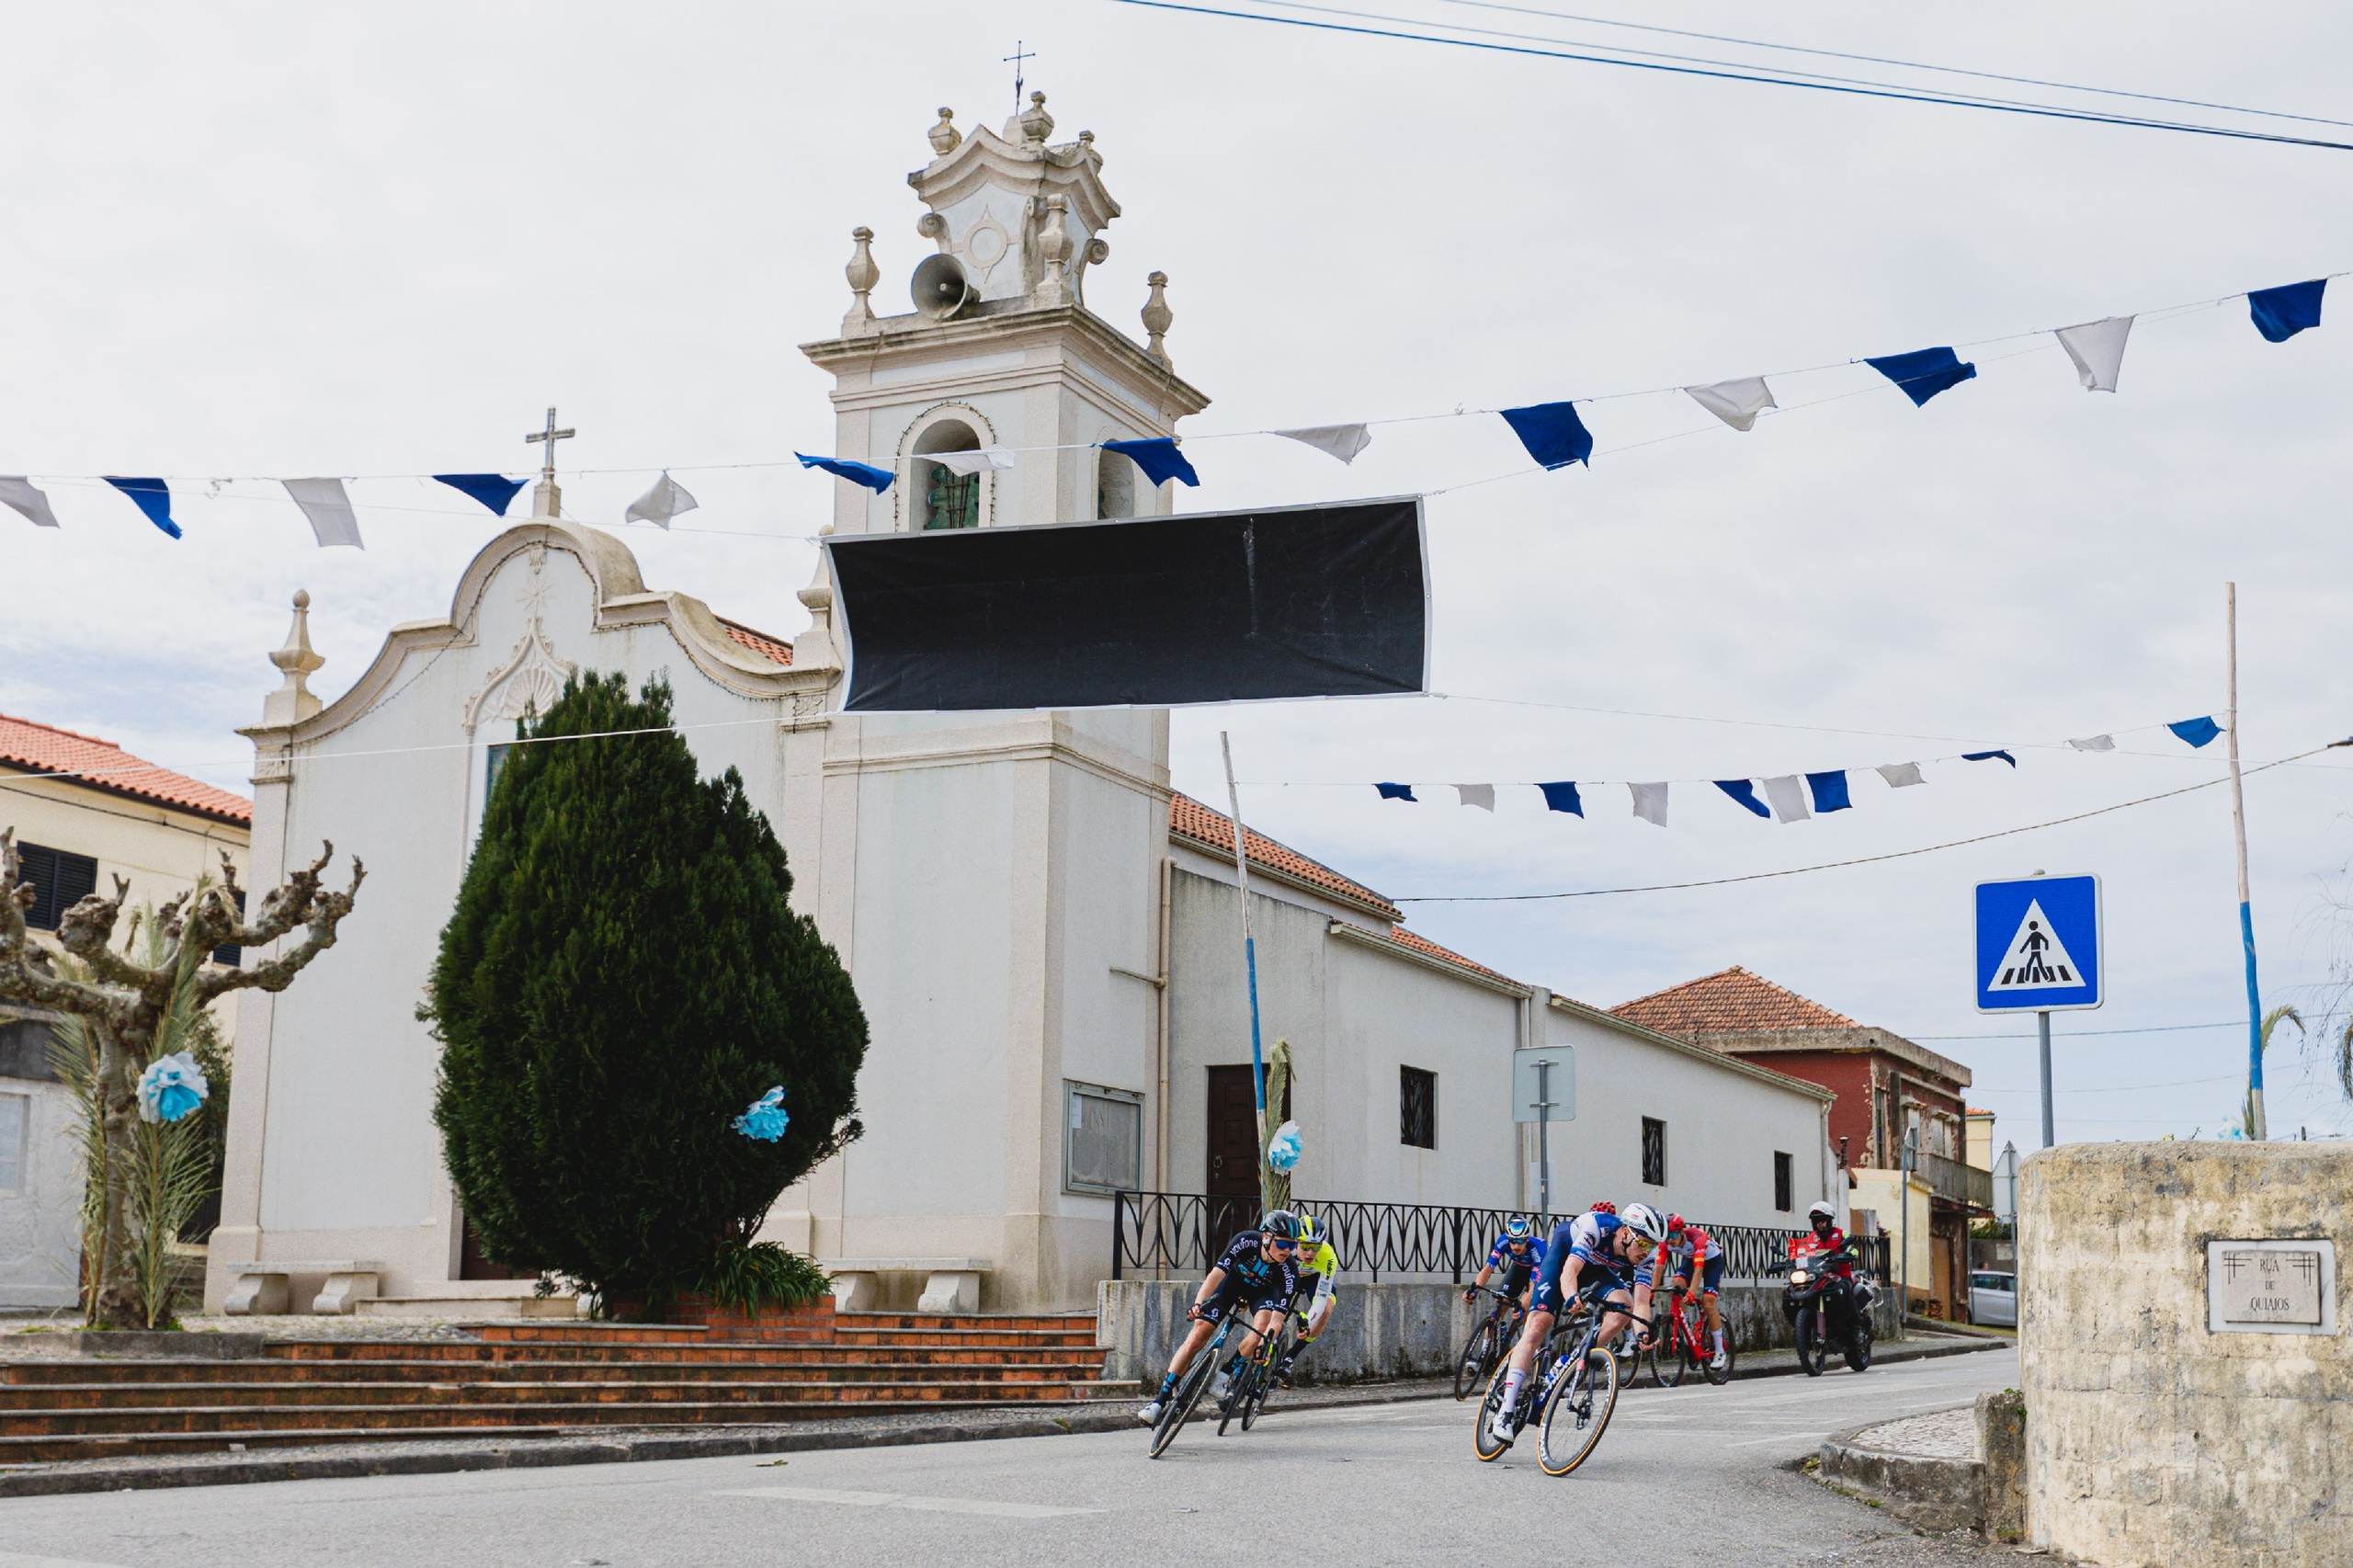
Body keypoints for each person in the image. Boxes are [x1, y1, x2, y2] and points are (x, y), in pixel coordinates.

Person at [1487, 1201, 1666, 1445]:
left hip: (1594, 1268)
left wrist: (1642, 1334)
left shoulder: (1646, 1257)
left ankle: (1571, 1360)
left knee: (1624, 1307)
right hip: (1563, 1257)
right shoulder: (1597, 1227)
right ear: (1625, 1233)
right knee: (1538, 1325)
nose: (1648, 1250)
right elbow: (1570, 1270)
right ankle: (1505, 1412)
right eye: (1644, 1243)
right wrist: (1571, 1296)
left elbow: (1642, 1301)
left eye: (1653, 1245)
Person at [1137, 1210, 1302, 1425]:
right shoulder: (1245, 1241)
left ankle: (1226, 1373)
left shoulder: (1289, 1270)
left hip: (1262, 1295)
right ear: (1266, 1238)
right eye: (1282, 1244)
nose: (1288, 1251)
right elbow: (1215, 1275)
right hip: (1231, 1287)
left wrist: (1265, 1344)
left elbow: (1277, 1321)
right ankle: (1159, 1401)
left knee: (1261, 1328)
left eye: (1292, 1245)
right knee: (1197, 1336)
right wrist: (1198, 1304)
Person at [1272, 1213, 1340, 1386]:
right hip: (1288, 1275)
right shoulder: (1286, 1248)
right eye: (1306, 1246)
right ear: (1297, 1242)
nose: (1311, 1253)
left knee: (1326, 1309)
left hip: (1314, 1279)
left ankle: (1290, 1356)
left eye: (1316, 1247)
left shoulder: (1328, 1256)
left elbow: (1321, 1299)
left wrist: (1307, 1323)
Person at [1658, 1214, 1729, 1370]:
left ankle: (1719, 1350)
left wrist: (1691, 1292)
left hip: (1712, 1263)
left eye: (1673, 1235)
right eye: (1667, 1235)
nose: (1670, 1239)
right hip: (1690, 1260)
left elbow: (1699, 1270)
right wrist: (1650, 1291)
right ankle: (1686, 1330)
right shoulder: (1664, 1243)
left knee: (1708, 1302)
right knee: (1675, 1286)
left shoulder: (1696, 1237)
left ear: (1682, 1232)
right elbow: (1659, 1268)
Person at [1463, 1214, 1546, 1312]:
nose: (1516, 1245)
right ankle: (1492, 1326)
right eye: (1513, 1240)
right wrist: (1475, 1290)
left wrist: (1523, 1304)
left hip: (1538, 1272)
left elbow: (1533, 1284)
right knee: (1501, 1300)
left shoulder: (1538, 1249)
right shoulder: (1502, 1242)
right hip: (1519, 1268)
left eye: (1520, 1241)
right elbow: (1488, 1268)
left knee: (1524, 1306)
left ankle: (1526, 1326)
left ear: (1527, 1239)